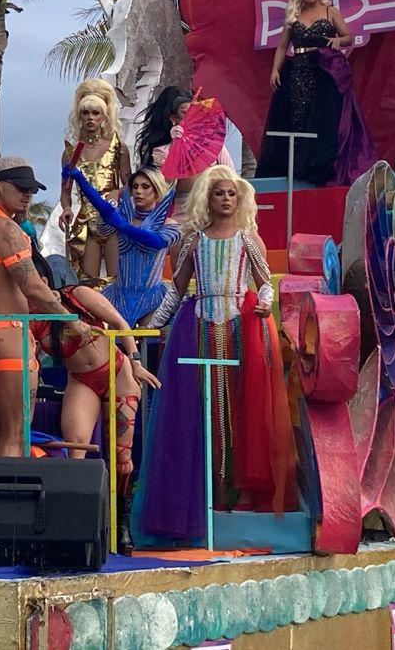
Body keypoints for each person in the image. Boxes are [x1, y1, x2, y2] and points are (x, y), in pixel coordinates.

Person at [138, 166, 293, 542]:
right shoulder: (193, 241)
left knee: (241, 408)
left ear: (240, 200)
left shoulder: (247, 240)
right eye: (219, 193)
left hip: (240, 326)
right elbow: (176, 290)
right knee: (202, 410)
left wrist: (264, 304)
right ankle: (206, 490)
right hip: (199, 327)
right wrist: (154, 324)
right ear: (207, 197)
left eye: (231, 194)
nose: (225, 199)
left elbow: (266, 284)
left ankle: (237, 490)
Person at [0, 156, 89, 456]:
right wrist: (72, 320)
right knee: (16, 435)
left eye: (31, 190)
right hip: (9, 335)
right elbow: (33, 286)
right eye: (20, 187)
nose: (28, 195)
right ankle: (11, 501)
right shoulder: (5, 229)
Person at [44, 280, 159, 552]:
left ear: (45, 282)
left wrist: (136, 362)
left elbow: (121, 323)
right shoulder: (30, 315)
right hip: (81, 380)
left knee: (122, 458)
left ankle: (122, 525)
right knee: (76, 446)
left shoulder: (77, 295)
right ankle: (80, 522)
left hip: (118, 373)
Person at [254, 0, 373, 186]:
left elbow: (348, 36)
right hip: (296, 71)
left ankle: (316, 167)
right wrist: (275, 70)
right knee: (294, 117)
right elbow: (282, 46)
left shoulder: (331, 11)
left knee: (320, 119)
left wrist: (339, 41)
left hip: (323, 71)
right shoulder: (293, 15)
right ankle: (293, 169)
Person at [63, 165, 178, 328]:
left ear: (157, 191)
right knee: (116, 346)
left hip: (153, 297)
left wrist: (123, 226)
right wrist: (80, 179)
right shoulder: (124, 216)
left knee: (150, 346)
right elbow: (103, 213)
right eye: (135, 186)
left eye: (146, 187)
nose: (138, 191)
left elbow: (156, 242)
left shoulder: (168, 225)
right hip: (119, 295)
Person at [59, 78, 132, 285]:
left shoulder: (118, 147)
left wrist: (118, 192)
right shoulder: (71, 153)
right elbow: (65, 191)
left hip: (113, 218)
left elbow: (130, 183)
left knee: (117, 279)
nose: (90, 118)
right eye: (86, 113)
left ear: (104, 117)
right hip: (86, 222)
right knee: (87, 282)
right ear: (79, 116)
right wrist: (66, 208)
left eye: (95, 113)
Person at [134, 86, 234, 206]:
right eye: (185, 112)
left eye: (194, 112)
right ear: (173, 118)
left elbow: (232, 179)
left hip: (212, 210)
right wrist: (174, 146)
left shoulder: (214, 146)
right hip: (180, 212)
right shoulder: (161, 151)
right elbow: (161, 186)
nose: (192, 116)